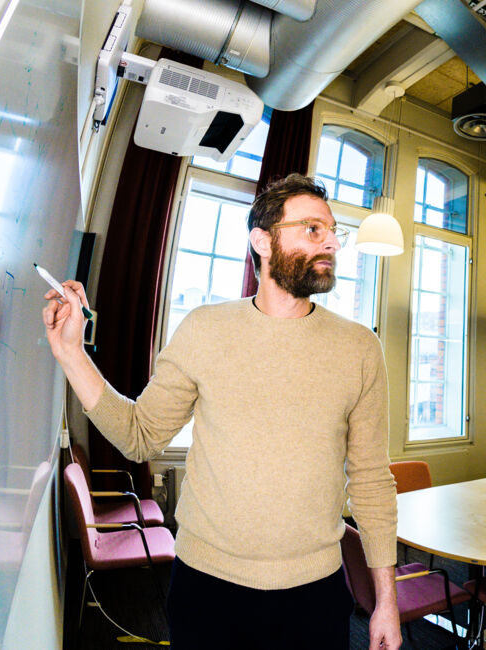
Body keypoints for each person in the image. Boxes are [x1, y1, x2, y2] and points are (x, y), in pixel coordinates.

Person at [42, 173, 401, 649]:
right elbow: (139, 435)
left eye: (334, 232)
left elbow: (373, 480)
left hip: (315, 591)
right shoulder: (205, 330)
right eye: (313, 229)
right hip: (207, 588)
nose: (331, 242)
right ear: (262, 240)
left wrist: (386, 601)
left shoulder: (361, 348)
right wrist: (71, 354)